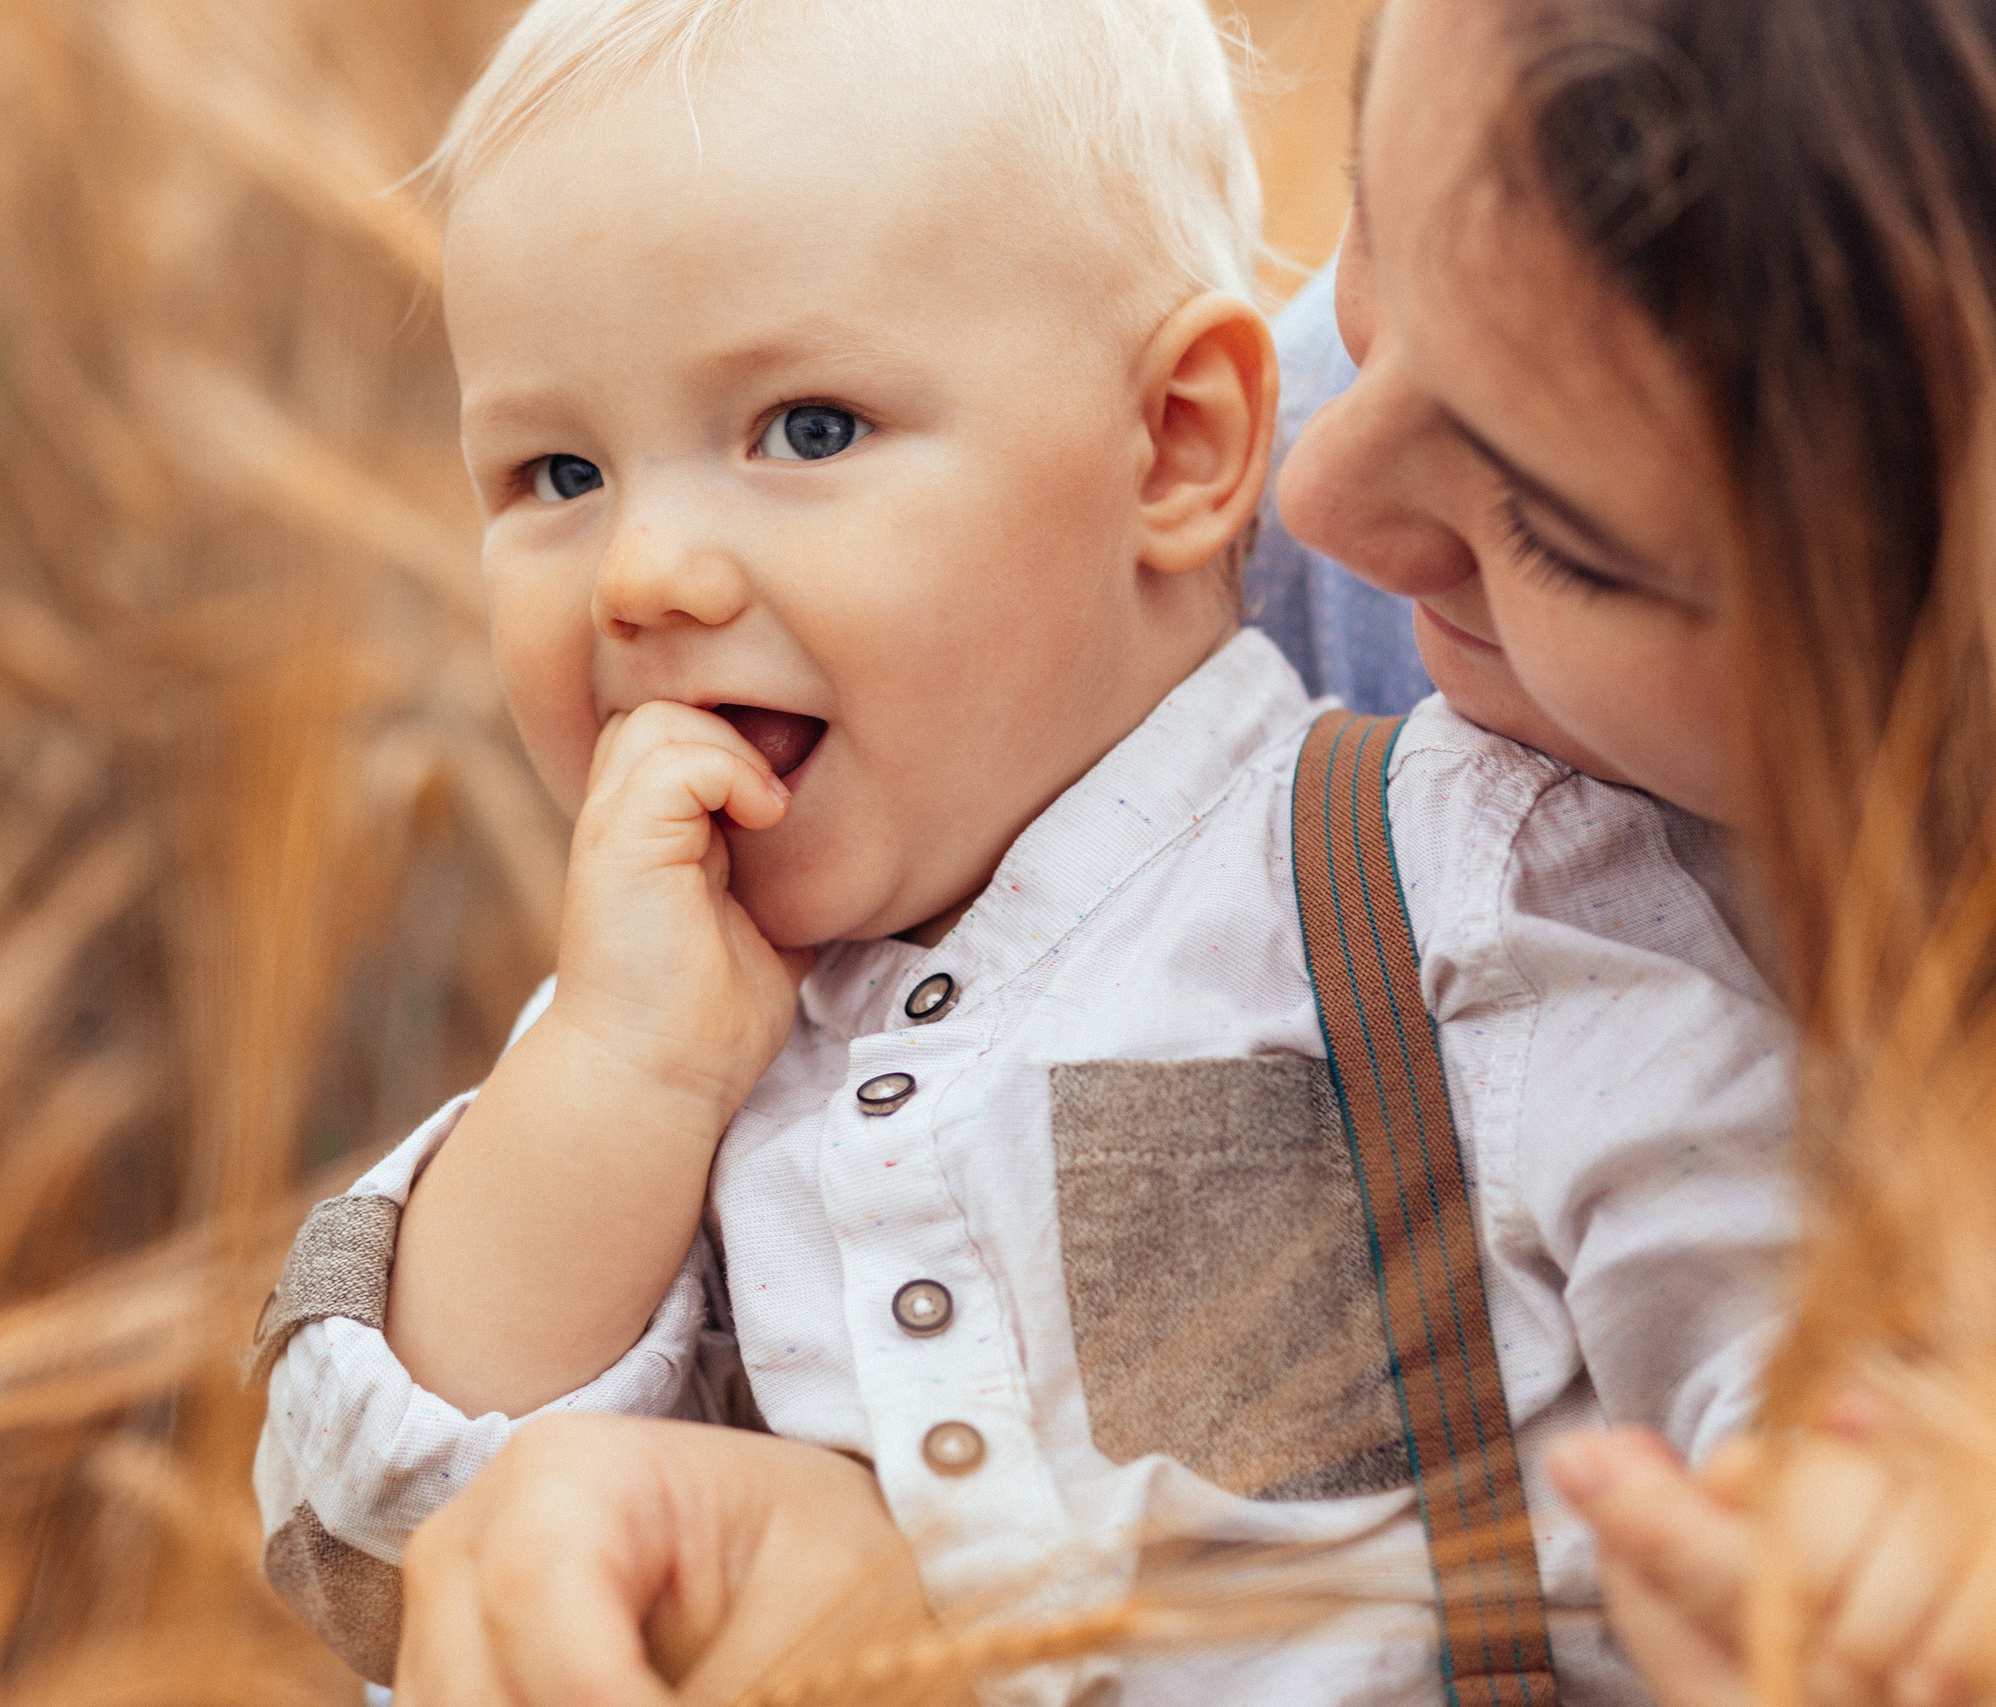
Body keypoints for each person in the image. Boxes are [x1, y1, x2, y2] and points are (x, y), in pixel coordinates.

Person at [381, 0, 1996, 1701]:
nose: (644, 573)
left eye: (808, 430)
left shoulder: (1446, 872)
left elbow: (1762, 1282)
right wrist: (616, 1077)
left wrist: (1858, 1511)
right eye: (554, 469)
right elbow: (383, 1537)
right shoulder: (660, 1008)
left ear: (1172, 445)